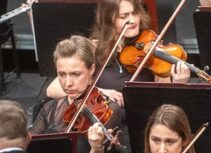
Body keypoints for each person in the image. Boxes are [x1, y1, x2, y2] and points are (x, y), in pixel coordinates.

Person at [31, 35, 127, 153]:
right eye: (62, 74)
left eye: (75, 74)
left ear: (91, 70)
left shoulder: (109, 110)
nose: (67, 83)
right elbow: (30, 150)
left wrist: (96, 148)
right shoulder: (49, 108)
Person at [42, 0, 176, 109]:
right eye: (123, 16)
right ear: (108, 20)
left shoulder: (150, 47)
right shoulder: (94, 48)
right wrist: (99, 92)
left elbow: (166, 99)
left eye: (135, 13)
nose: (132, 20)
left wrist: (177, 81)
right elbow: (52, 89)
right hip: (105, 122)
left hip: (142, 119)